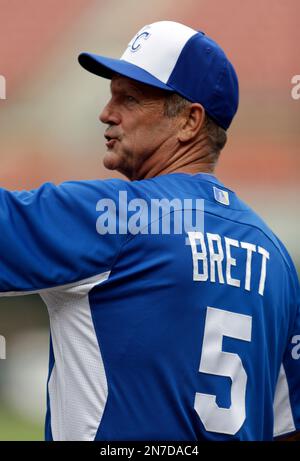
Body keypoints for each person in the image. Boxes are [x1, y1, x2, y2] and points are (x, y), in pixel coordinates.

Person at [0, 20, 299, 441]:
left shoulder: (112, 217)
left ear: (190, 122)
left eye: (130, 99)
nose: (107, 113)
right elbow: (289, 426)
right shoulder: (277, 259)